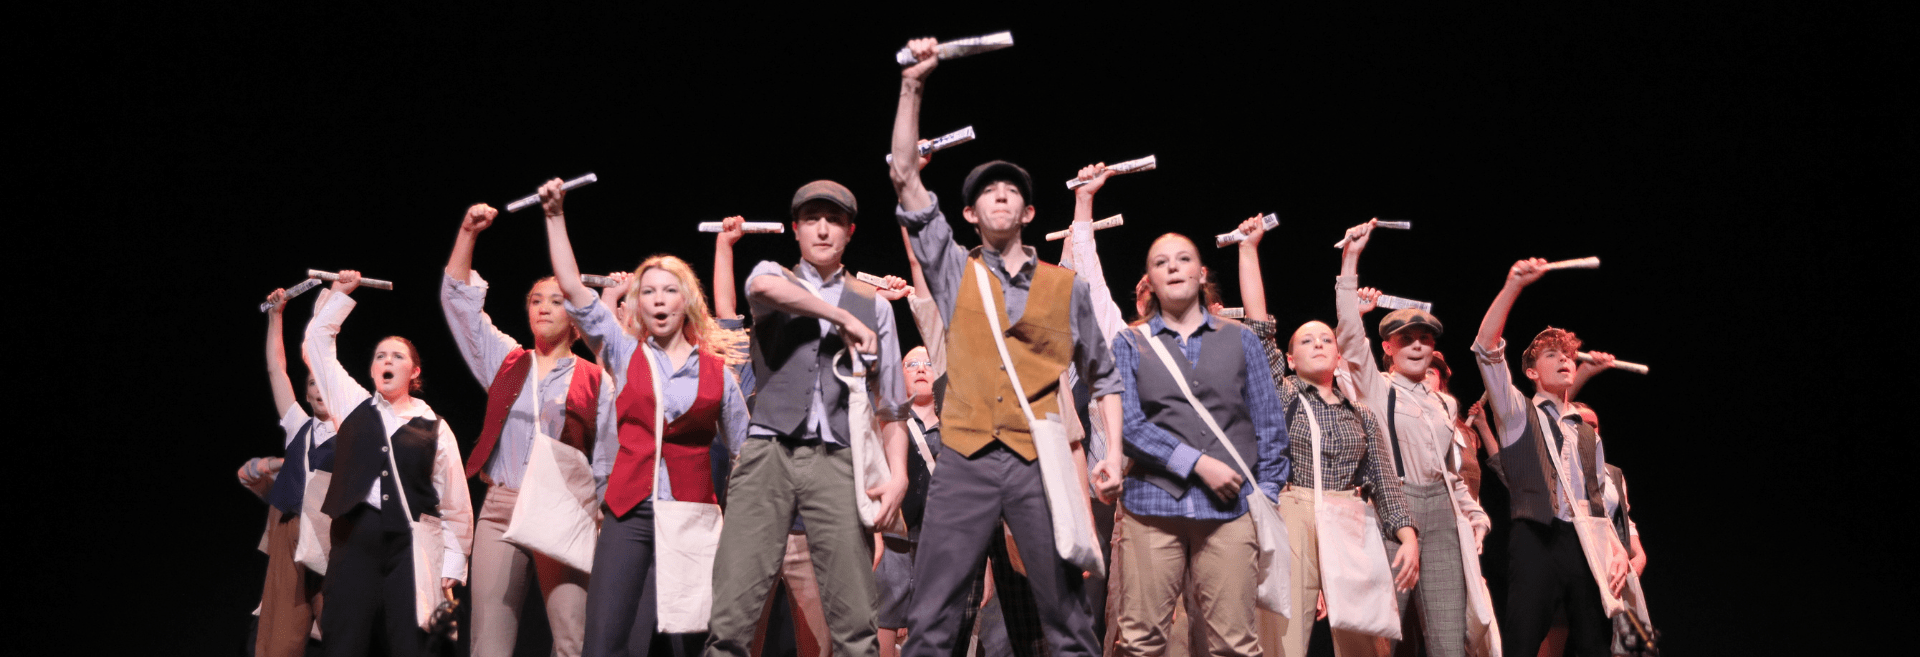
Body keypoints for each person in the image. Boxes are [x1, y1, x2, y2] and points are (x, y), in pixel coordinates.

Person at [890, 37, 1126, 657]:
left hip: (1035, 459)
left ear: (1027, 210)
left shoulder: (1063, 287)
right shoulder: (951, 270)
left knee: (1068, 618)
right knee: (933, 617)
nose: (1000, 193)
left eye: (1011, 189)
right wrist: (914, 84)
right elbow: (904, 174)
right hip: (963, 456)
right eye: (987, 189)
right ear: (968, 213)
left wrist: (1114, 453)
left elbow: (1104, 376)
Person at [536, 179, 751, 657]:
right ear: (638, 302)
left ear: (686, 301)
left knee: (685, 643)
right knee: (605, 639)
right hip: (629, 510)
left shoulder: (720, 376)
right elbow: (573, 289)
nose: (657, 299)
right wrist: (554, 215)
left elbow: (746, 458)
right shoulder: (623, 351)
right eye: (648, 291)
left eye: (669, 290)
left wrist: (742, 532)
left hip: (692, 516)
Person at [704, 176, 911, 657]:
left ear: (850, 232)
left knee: (857, 625)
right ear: (795, 229)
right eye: (812, 220)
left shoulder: (875, 305)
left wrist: (897, 473)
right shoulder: (772, 276)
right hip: (767, 453)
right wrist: (841, 318)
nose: (822, 230)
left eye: (834, 221)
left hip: (837, 461)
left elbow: (893, 405)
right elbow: (760, 286)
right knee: (731, 619)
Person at [1228, 216, 1419, 657]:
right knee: (1284, 634)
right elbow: (1259, 325)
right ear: (1290, 359)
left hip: (1349, 518)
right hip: (1293, 511)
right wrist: (1247, 248)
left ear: (1337, 354)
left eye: (1325, 339)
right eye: (1306, 340)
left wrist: (1407, 535)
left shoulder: (1361, 414)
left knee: (1364, 640)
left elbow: (1385, 482)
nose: (1317, 343)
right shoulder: (1283, 391)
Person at [1109, 230, 1290, 657]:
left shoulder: (1240, 338)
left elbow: (1268, 423)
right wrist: (1197, 463)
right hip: (1151, 507)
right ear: (1149, 281)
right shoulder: (1129, 342)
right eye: (1161, 262)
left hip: (1229, 511)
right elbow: (1128, 426)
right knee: (1141, 642)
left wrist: (1264, 494)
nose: (1173, 266)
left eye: (1183, 258)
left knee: (1235, 644)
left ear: (1201, 272)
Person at [442, 201, 606, 657]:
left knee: (573, 637)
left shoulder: (596, 377)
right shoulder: (509, 361)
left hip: (566, 504)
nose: (544, 308)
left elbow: (611, 449)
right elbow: (459, 304)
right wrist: (468, 232)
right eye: (536, 300)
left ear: (576, 316)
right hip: (502, 505)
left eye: (557, 300)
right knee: (488, 641)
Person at [1332, 221, 1492, 657]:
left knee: (1446, 638)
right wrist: (1351, 260)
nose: (1418, 345)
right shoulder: (1376, 386)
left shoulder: (1445, 405)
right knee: (1380, 632)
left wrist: (1474, 515)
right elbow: (1348, 331)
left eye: (1425, 338)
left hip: (1442, 512)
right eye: (1406, 339)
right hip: (1394, 504)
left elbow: (1452, 474)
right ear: (1387, 347)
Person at [306, 271, 474, 657]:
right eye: (380, 355)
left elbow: (454, 500)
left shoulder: (434, 427)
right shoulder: (351, 405)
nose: (386, 360)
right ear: (372, 369)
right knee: (344, 640)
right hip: (355, 539)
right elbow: (316, 343)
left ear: (414, 372)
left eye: (397, 356)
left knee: (408, 644)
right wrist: (341, 296)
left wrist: (454, 558)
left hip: (409, 545)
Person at [1468, 258, 1630, 657]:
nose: (1564, 360)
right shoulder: (1517, 412)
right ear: (1531, 372)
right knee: (1524, 637)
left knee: (1594, 640)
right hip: (1536, 537)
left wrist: (1618, 549)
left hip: (1584, 541)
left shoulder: (1586, 430)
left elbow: (1599, 501)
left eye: (1569, 356)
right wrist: (1513, 286)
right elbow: (1486, 349)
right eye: (1552, 356)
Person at [256, 286, 338, 657]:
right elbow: (277, 368)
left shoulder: (355, 431)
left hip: (332, 537)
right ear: (306, 394)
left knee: (343, 633)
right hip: (290, 533)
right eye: (311, 384)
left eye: (324, 383)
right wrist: (276, 317)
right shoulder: (298, 427)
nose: (318, 390)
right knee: (281, 639)